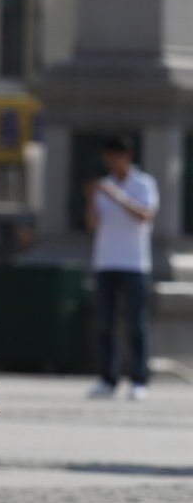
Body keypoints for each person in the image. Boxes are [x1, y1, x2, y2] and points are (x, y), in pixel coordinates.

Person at [84, 135, 159, 400]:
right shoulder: (104, 185)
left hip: (135, 263)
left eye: (115, 157)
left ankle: (139, 379)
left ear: (126, 156)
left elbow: (144, 215)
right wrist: (92, 199)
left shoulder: (143, 183)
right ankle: (108, 378)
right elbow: (92, 225)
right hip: (105, 262)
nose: (111, 163)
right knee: (105, 324)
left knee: (135, 324)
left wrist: (115, 195)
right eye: (108, 158)